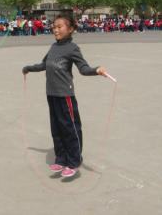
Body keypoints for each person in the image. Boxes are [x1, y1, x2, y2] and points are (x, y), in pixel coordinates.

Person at [22, 14, 107, 178]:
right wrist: (28, 68)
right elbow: (43, 64)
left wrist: (96, 70)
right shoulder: (53, 47)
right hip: (51, 94)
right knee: (57, 128)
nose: (55, 29)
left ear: (71, 29)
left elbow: (83, 68)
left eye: (60, 26)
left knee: (70, 128)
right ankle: (61, 158)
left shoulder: (72, 48)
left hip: (65, 95)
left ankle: (74, 160)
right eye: (54, 26)